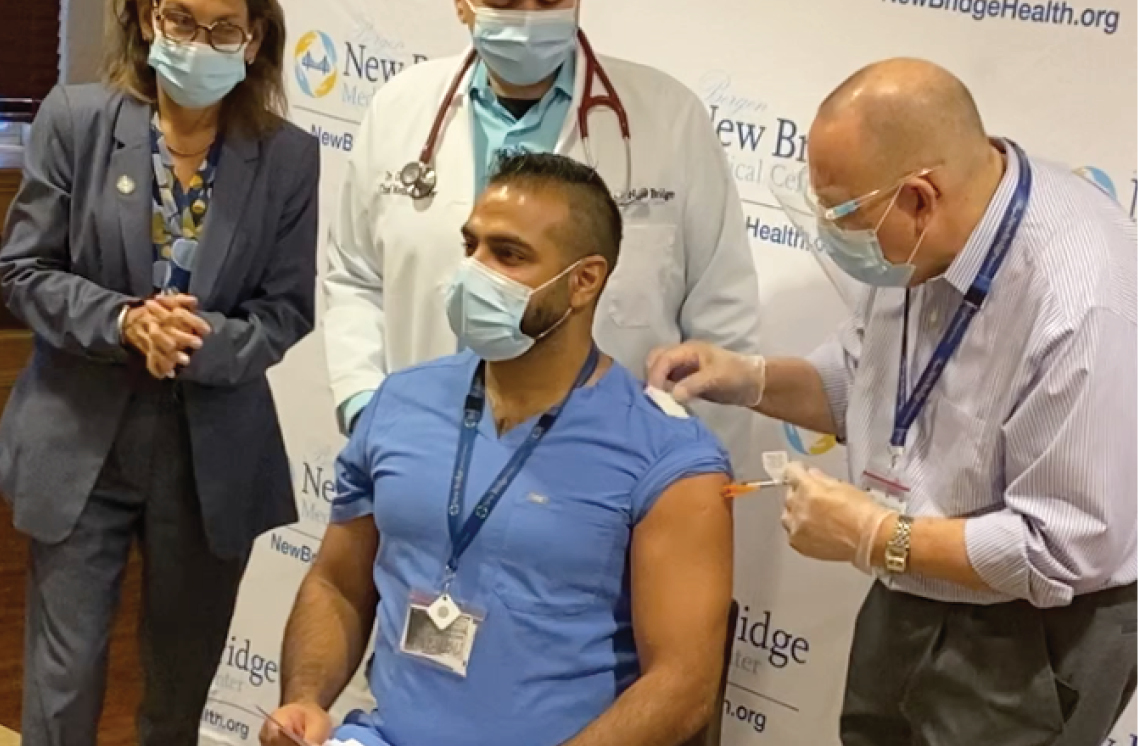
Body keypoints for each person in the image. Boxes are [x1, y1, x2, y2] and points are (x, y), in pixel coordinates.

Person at [648, 58, 1137, 746]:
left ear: (919, 196)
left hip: (1033, 630)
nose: (831, 229)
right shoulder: (922, 242)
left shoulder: (1081, 299)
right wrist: (750, 378)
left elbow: (1061, 548)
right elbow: (866, 387)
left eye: (841, 211)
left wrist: (876, 535)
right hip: (911, 589)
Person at [261, 153, 734, 746]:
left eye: (507, 255)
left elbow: (683, 686)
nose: (473, 272)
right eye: (471, 247)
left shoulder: (669, 457)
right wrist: (305, 698)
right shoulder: (400, 403)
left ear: (584, 280)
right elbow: (337, 583)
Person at [0, 0, 318, 743]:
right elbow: (22, 273)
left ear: (255, 36)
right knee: (62, 683)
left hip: (212, 455)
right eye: (181, 19)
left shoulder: (289, 154)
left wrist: (194, 342)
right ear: (146, 19)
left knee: (180, 687)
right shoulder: (75, 119)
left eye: (223, 28)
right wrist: (123, 321)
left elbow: (286, 311)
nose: (200, 43)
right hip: (80, 438)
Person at [322, 0, 760, 472]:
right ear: (462, 5)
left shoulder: (670, 119)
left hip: (607, 471)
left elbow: (722, 318)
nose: (528, 14)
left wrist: (686, 477)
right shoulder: (400, 107)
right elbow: (355, 277)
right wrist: (366, 406)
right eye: (506, 0)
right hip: (420, 452)